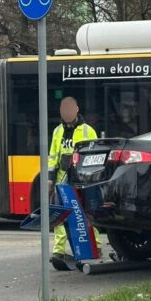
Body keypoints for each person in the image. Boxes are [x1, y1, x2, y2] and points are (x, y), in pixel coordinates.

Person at [47, 96, 101, 268]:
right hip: (62, 180)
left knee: (86, 214)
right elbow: (52, 157)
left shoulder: (88, 131)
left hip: (81, 180)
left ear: (77, 110)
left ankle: (95, 246)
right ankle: (59, 250)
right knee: (60, 216)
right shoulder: (57, 131)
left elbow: (95, 156)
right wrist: (50, 179)